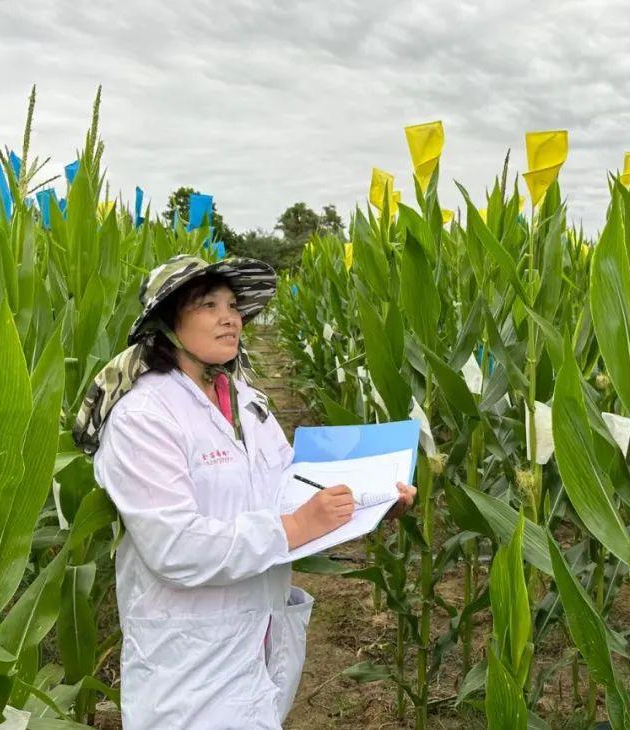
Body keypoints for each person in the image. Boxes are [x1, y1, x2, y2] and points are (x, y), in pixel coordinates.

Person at [72, 254, 416, 730]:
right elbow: (174, 546)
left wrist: (369, 506)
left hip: (258, 638)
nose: (229, 318)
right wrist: (294, 527)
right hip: (189, 663)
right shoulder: (144, 417)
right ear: (167, 322)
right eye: (208, 305)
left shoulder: (248, 404)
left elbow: (291, 491)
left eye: (233, 306)